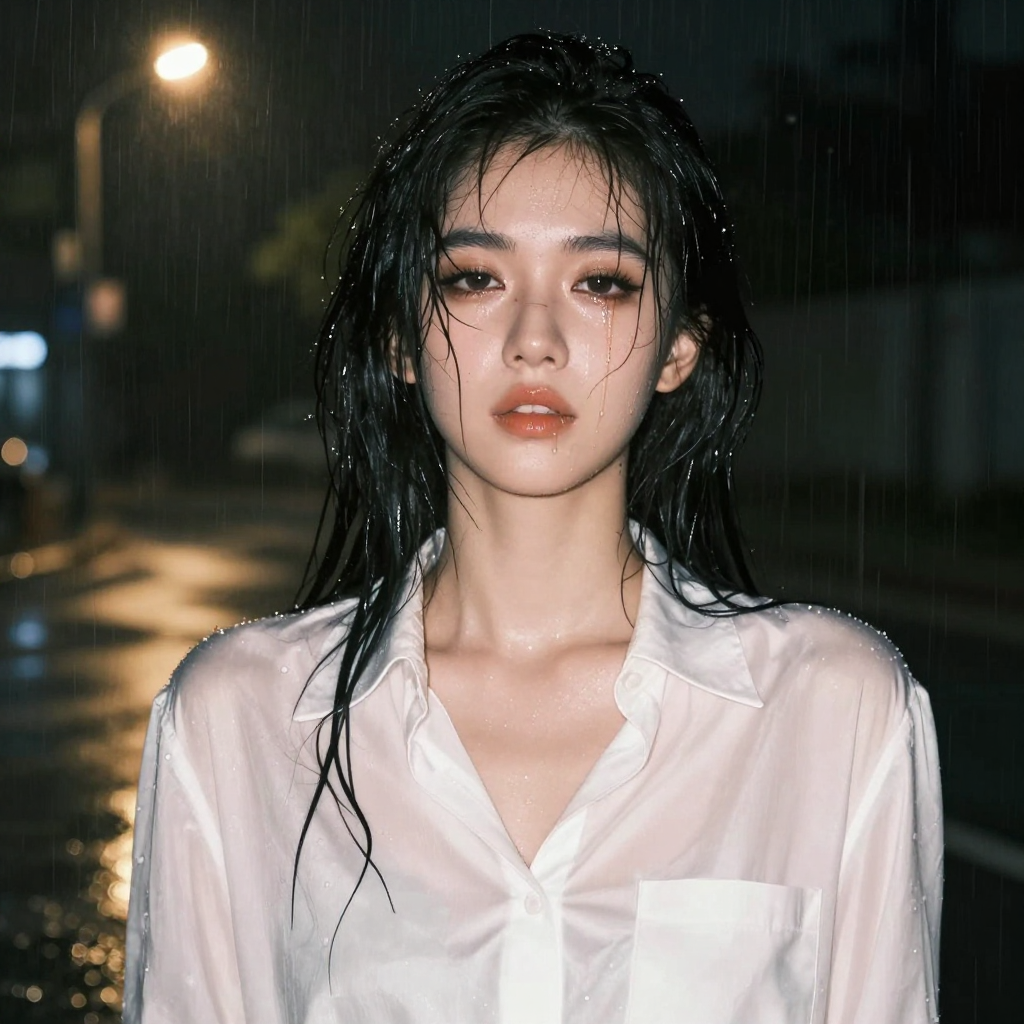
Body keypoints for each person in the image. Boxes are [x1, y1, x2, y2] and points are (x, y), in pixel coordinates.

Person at [124, 32, 942, 1024]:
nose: (535, 339)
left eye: (601, 281)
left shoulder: (834, 710)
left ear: (681, 345)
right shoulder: (237, 723)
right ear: (398, 337)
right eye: (474, 277)